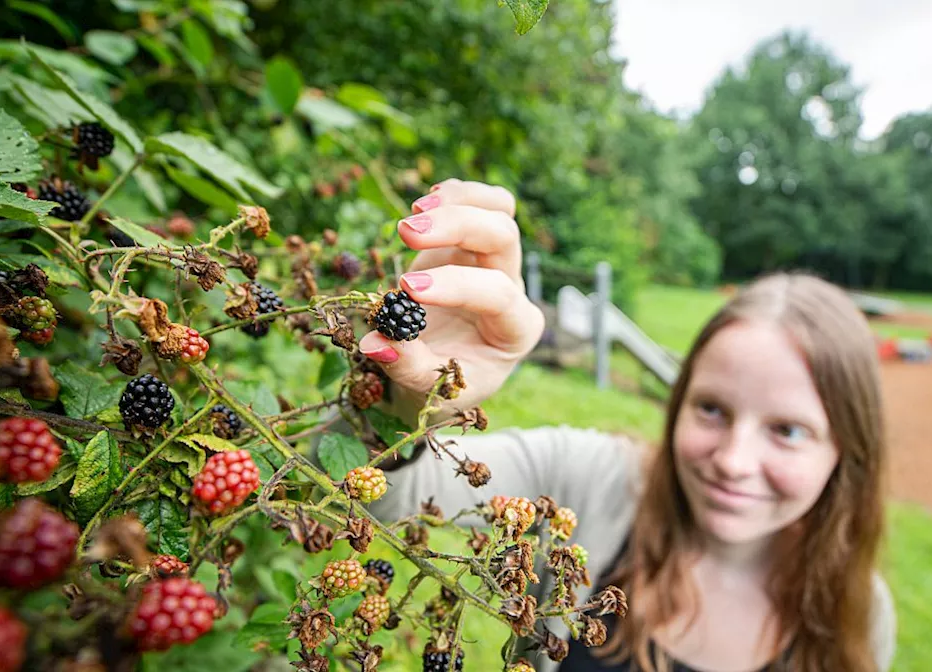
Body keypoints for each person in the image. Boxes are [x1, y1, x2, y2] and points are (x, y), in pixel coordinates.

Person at [357, 179, 896, 672]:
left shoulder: (859, 615)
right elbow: (378, 497)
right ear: (678, 404)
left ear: (847, 448)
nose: (733, 460)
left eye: (788, 431)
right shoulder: (585, 481)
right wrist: (411, 398)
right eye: (711, 409)